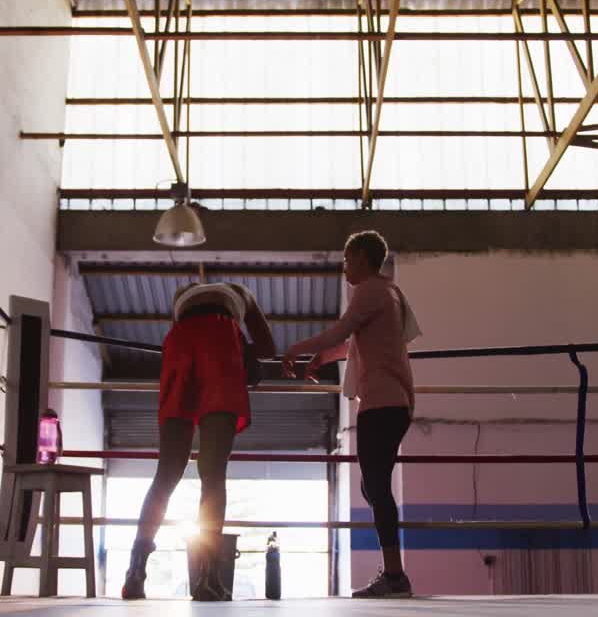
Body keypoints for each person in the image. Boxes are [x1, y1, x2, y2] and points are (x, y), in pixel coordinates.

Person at [281, 230, 419, 599]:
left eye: (347, 259)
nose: (344, 266)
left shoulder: (372, 290)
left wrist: (295, 348)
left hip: (384, 403)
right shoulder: (386, 293)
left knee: (375, 486)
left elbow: (339, 330)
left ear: (361, 257)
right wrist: (322, 356)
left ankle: (394, 576)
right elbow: (354, 342)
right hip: (388, 402)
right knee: (371, 486)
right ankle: (393, 573)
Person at [122, 280, 275, 601]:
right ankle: (207, 577)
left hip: (179, 347)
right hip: (220, 344)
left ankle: (135, 572)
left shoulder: (181, 296)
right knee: (213, 471)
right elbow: (268, 349)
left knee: (166, 472)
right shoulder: (241, 292)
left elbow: (178, 332)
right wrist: (245, 350)